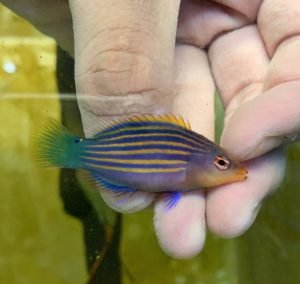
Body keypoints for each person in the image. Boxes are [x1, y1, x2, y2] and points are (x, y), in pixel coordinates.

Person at [3, 0, 300, 258]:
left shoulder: (190, 167)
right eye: (222, 163)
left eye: (225, 163)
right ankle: (73, 151)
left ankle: (76, 152)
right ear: (198, 161)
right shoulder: (187, 166)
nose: (234, 169)